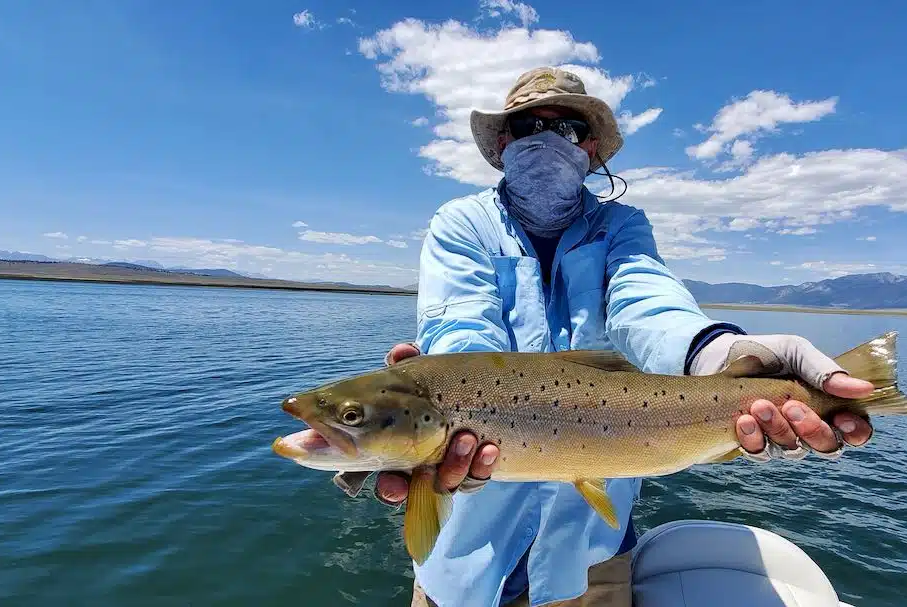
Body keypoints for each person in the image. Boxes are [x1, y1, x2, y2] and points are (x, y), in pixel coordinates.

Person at [341, 67, 877, 607]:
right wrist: (440, 400)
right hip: (466, 556)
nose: (547, 139)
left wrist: (719, 351)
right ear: (503, 142)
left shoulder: (621, 226)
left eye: (567, 129)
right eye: (528, 126)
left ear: (591, 148)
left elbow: (645, 302)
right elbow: (460, 327)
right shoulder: (461, 223)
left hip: (592, 554)